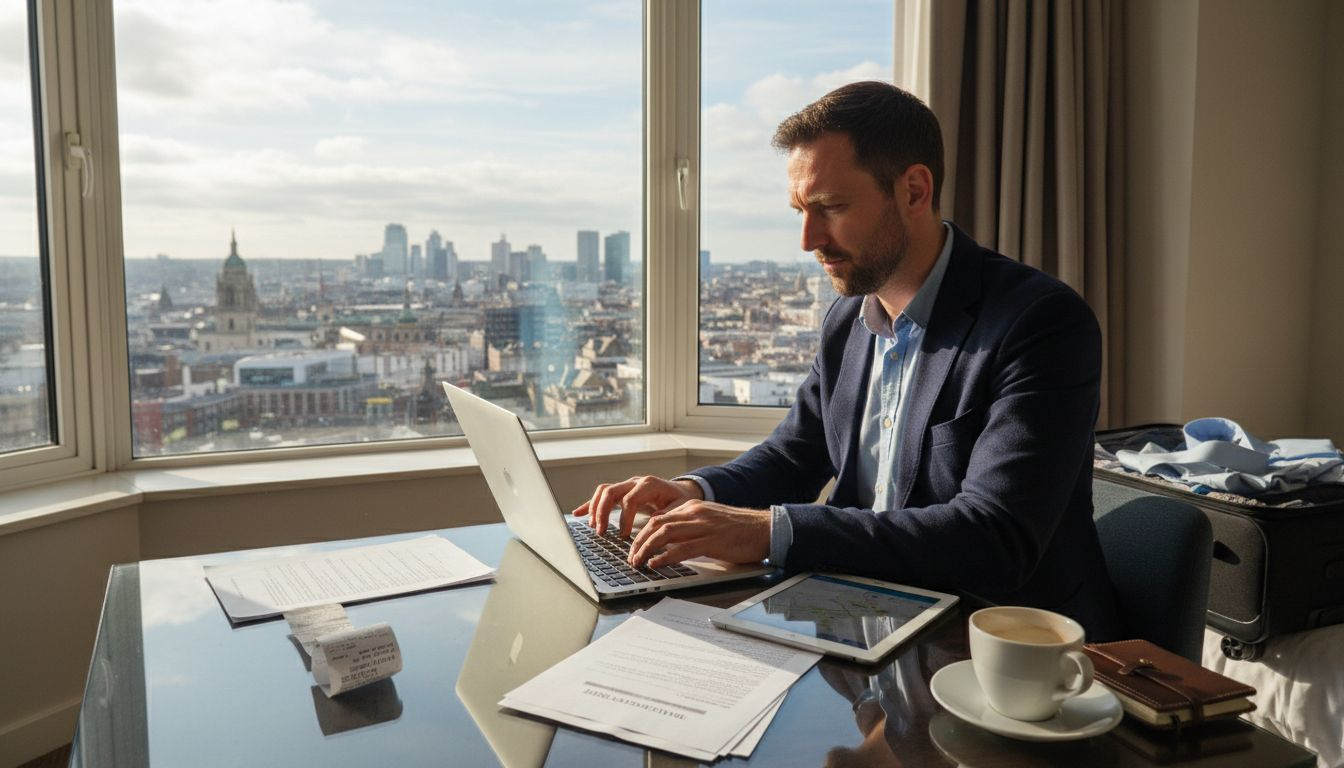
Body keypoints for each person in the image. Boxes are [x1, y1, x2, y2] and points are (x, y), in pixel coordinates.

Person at [574, 81, 1120, 640]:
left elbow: (995, 539)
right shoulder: (848, 318)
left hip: (997, 647)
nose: (809, 238)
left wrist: (770, 531)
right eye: (800, 212)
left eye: (830, 207)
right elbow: (797, 454)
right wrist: (693, 493)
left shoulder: (1041, 323)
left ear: (913, 190)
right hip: (860, 621)